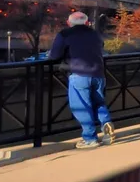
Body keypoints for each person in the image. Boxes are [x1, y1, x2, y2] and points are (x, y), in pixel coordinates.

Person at [48, 11, 113, 149]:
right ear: (86, 22)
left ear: (68, 22)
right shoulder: (95, 34)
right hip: (98, 73)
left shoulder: (65, 34)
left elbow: (54, 56)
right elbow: (100, 47)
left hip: (79, 74)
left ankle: (90, 139)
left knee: (81, 107)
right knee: (99, 102)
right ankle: (106, 124)